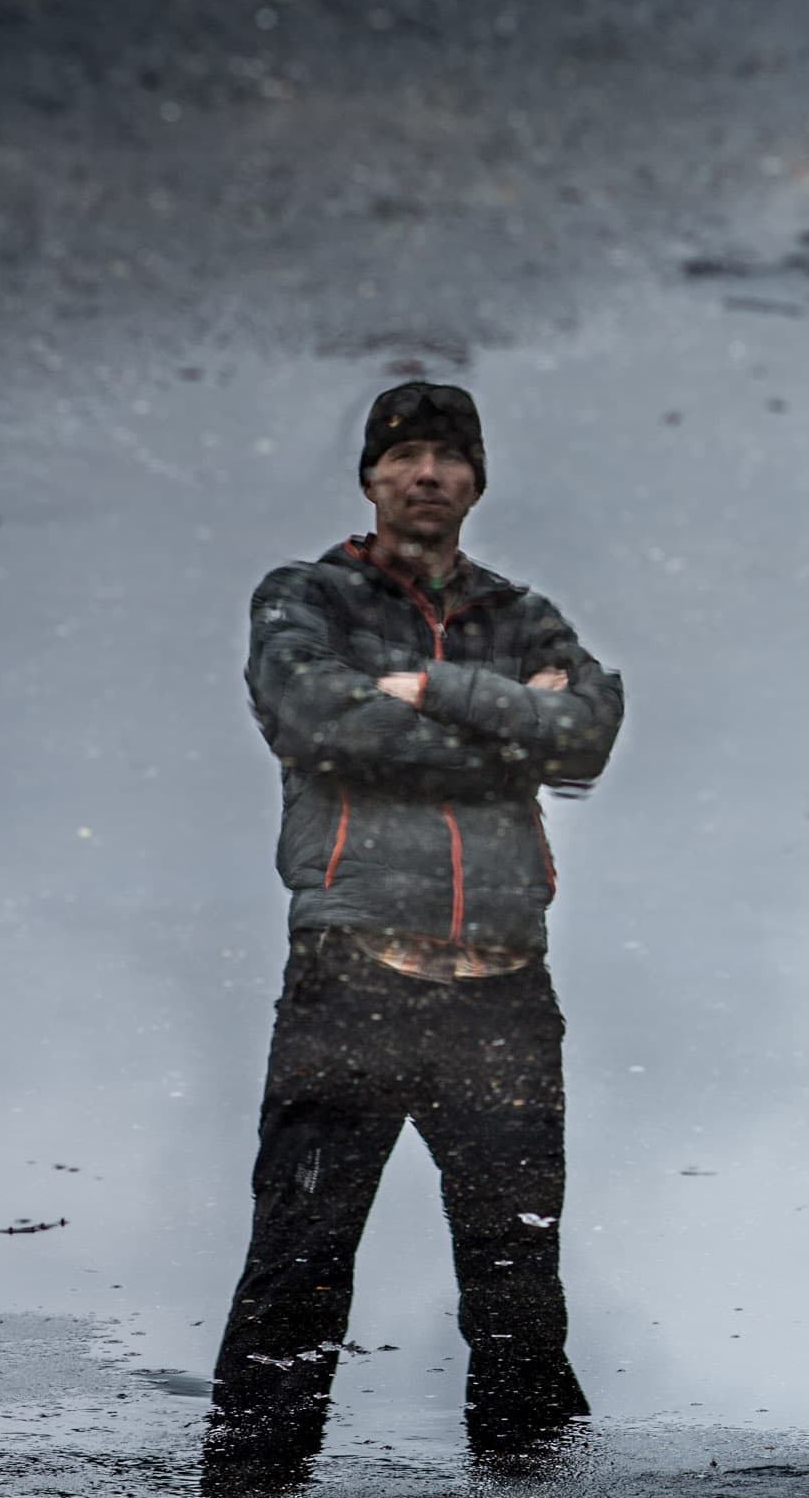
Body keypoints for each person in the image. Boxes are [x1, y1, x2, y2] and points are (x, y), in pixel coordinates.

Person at [207, 381, 624, 1488]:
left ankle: (533, 1478)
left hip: (504, 996)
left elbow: (586, 734)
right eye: (406, 455)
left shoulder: (521, 611)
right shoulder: (309, 597)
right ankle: (253, 1480)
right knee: (297, 1266)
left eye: (448, 455)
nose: (427, 473)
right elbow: (313, 721)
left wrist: (429, 686)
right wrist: (503, 726)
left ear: (478, 479)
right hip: (354, 982)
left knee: (518, 1279)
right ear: (370, 476)